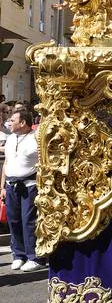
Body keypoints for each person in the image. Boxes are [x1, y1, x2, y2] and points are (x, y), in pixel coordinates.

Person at [0, 109, 44, 272]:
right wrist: (2, 187)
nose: (9, 123)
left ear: (23, 123)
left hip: (30, 185)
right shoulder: (11, 139)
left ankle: (35, 257)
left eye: (12, 120)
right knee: (14, 220)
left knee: (29, 221)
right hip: (11, 186)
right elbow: (6, 163)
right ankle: (19, 255)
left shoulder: (35, 138)